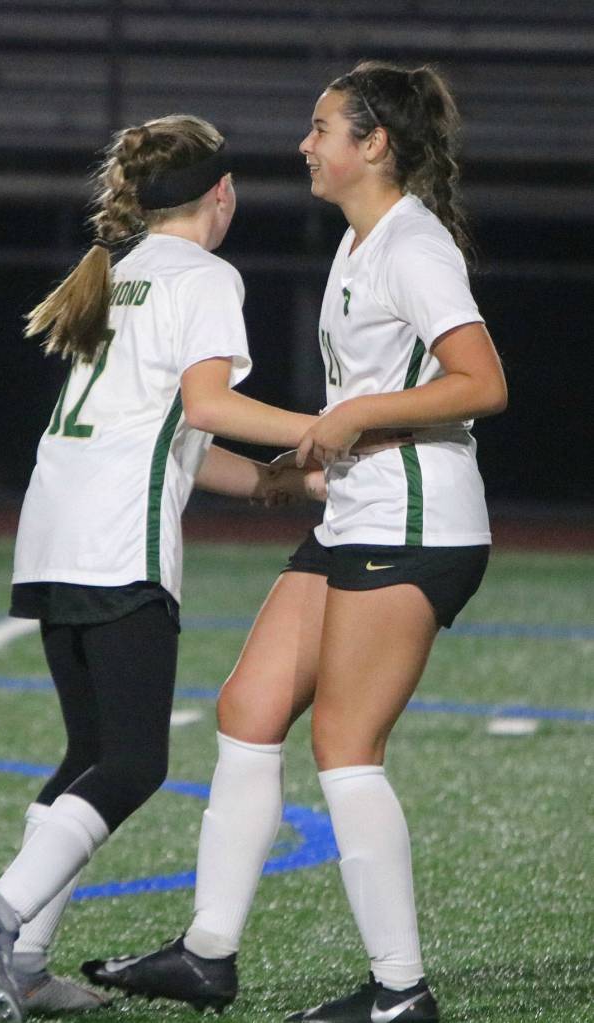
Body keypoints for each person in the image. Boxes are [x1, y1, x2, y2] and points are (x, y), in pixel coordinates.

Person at [80, 60, 508, 1023]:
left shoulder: (410, 245)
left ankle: (401, 990)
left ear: (374, 146)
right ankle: (206, 953)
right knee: (246, 707)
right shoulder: (360, 246)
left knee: (344, 746)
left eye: (321, 129)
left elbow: (481, 383)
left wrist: (355, 415)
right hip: (355, 515)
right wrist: (319, 450)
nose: (304, 145)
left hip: (414, 519)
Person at [0, 113, 326, 1023]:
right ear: (221, 193)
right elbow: (208, 403)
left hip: (54, 534)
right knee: (137, 761)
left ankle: (23, 964)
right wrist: (323, 429)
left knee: (87, 752)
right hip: (118, 544)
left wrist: (275, 481)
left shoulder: (119, 270)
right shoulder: (205, 275)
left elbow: (173, 437)